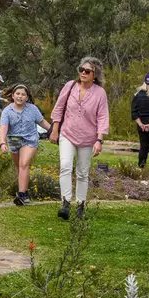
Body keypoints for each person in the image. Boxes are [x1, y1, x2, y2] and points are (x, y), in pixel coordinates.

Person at [49, 56, 109, 221]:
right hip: (67, 133)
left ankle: (81, 205)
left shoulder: (100, 93)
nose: (83, 73)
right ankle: (65, 203)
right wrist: (55, 130)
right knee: (65, 166)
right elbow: (59, 108)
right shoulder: (70, 86)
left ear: (94, 74)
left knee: (82, 172)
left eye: (87, 71)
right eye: (81, 70)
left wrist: (99, 140)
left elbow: (103, 117)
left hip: (88, 138)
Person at [0, 84, 45, 205]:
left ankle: (22, 195)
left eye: (23, 94)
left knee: (23, 164)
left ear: (27, 97)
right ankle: (25, 191)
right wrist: (2, 143)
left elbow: (42, 122)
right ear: (13, 95)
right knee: (20, 167)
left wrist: (55, 133)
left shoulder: (33, 109)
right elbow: (3, 128)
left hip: (29, 140)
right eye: (17, 94)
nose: (20, 96)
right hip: (13, 142)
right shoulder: (7, 111)